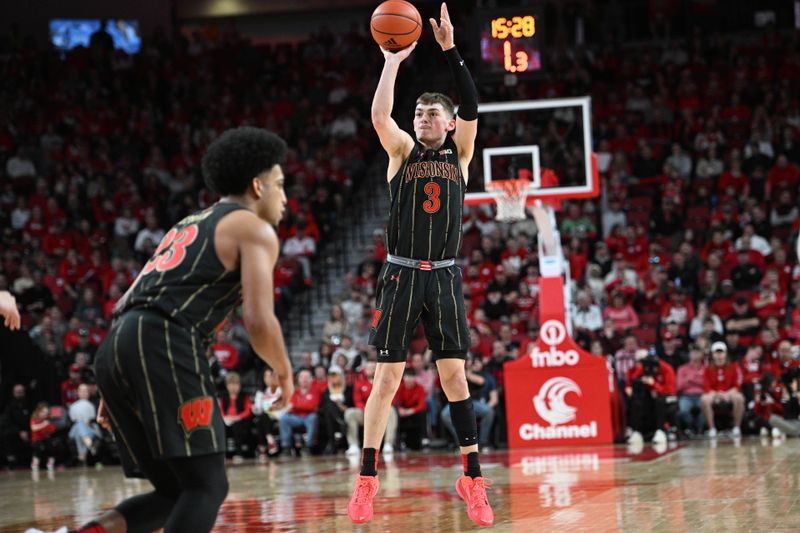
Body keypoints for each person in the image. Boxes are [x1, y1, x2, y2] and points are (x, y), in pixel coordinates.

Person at [43, 127, 295, 533]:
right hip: (165, 339)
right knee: (207, 487)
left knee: (174, 492)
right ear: (257, 185)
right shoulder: (253, 228)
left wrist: (118, 383)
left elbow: (126, 299)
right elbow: (259, 321)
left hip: (118, 344)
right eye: (280, 185)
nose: (285, 198)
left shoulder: (185, 225)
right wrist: (284, 371)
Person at [348, 4, 493, 527]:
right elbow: (379, 117)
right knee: (385, 381)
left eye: (432, 114)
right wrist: (392, 61)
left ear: (449, 123)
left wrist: (451, 49)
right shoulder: (401, 152)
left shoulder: (462, 153)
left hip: (446, 275)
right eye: (419, 114)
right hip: (402, 273)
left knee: (455, 377)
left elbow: (473, 104)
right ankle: (367, 480)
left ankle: (472, 479)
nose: (423, 119)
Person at [701, 342, 744, 439]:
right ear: (712, 354)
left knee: (739, 398)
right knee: (704, 399)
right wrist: (717, 394)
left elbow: (737, 385)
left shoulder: (734, 367)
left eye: (721, 352)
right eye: (716, 353)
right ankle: (712, 428)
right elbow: (706, 387)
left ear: (726, 354)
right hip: (714, 394)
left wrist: (727, 394)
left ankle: (737, 428)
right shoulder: (707, 369)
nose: (719, 355)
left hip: (729, 393)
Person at [278, 368, 321, 455]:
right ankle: (286, 447)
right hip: (296, 417)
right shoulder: (295, 392)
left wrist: (296, 406)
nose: (304, 379)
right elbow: (290, 406)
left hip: (309, 416)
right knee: (284, 418)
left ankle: (309, 446)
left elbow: (312, 407)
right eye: (302, 377)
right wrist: (298, 407)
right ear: (298, 379)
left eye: (306, 377)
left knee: (313, 418)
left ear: (311, 379)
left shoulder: (316, 391)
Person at [218, 372, 253, 461]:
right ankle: (223, 453)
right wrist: (225, 418)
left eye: (236, 384)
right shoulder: (223, 396)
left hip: (240, 420)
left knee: (237, 426)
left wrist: (237, 417)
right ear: (227, 385)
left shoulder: (245, 395)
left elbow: (248, 411)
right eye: (230, 384)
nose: (233, 387)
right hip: (227, 420)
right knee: (221, 426)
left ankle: (239, 453)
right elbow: (221, 410)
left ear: (239, 385)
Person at [68, 384, 102, 464]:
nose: (83, 393)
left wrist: (87, 424)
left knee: (80, 432)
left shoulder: (94, 405)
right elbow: (72, 421)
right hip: (75, 430)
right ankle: (90, 445)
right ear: (78, 392)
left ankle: (82, 456)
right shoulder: (73, 406)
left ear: (88, 392)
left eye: (85, 391)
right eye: (81, 391)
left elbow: (94, 420)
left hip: (91, 430)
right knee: (79, 425)